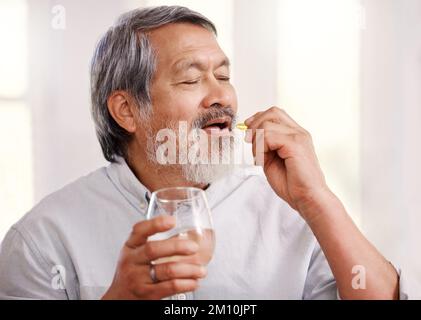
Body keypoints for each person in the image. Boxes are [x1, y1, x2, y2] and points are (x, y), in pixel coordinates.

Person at [0, 6, 411, 300]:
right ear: (127, 110)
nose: (222, 97)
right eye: (191, 79)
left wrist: (318, 199)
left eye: (224, 76)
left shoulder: (290, 211)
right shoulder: (41, 240)